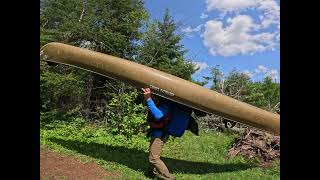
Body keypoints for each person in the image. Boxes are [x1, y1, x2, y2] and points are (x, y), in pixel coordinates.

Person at [141, 87, 207, 180]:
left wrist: (148, 99)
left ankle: (169, 178)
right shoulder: (162, 101)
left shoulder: (165, 103)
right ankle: (150, 173)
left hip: (160, 133)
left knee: (153, 158)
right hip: (159, 132)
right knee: (153, 153)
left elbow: (158, 115)